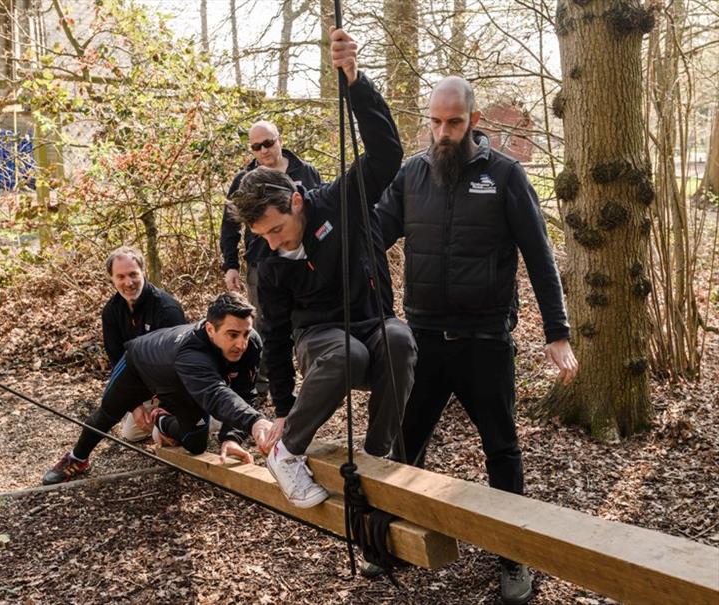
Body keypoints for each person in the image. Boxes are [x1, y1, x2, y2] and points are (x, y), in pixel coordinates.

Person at [376, 76, 579, 605]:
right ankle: (398, 536)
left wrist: (556, 332)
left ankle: (513, 557)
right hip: (422, 337)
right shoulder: (412, 174)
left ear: (474, 123)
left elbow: (539, 255)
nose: (443, 133)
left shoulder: (505, 176)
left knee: (502, 450)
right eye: (436, 122)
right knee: (406, 446)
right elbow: (372, 233)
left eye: (455, 123)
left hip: (485, 342)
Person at [229, 27, 417, 509]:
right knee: (345, 355)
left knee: (398, 340)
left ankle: (380, 453)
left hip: (371, 321)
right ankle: (288, 454)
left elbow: (386, 155)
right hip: (319, 339)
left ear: (295, 201)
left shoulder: (338, 201)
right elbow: (273, 336)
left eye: (276, 229)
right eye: (262, 237)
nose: (272, 242)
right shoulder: (269, 262)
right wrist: (285, 412)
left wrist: (355, 82)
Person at [43, 292, 273, 485]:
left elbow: (244, 391)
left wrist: (231, 437)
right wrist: (255, 422)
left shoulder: (251, 343)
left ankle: (162, 421)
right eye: (232, 335)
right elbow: (214, 394)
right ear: (211, 329)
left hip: (179, 384)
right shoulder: (192, 354)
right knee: (107, 414)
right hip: (140, 366)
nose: (241, 344)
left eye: (245, 333)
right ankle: (77, 458)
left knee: (195, 443)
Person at [220, 121, 322, 394]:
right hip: (262, 263)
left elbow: (321, 212)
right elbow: (229, 225)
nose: (263, 150)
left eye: (268, 143)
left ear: (279, 140)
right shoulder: (244, 180)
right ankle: (263, 386)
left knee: (306, 321)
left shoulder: (305, 172)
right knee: (265, 324)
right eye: (256, 147)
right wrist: (230, 264)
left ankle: (315, 383)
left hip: (302, 261)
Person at [101, 246, 187, 442]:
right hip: (143, 386)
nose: (128, 283)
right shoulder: (111, 312)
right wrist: (135, 405)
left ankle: (210, 414)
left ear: (143, 272)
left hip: (176, 385)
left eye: (133, 274)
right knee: (130, 435)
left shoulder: (167, 309)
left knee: (163, 435)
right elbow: (116, 362)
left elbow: (182, 365)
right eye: (120, 277)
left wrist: (166, 407)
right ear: (112, 279)